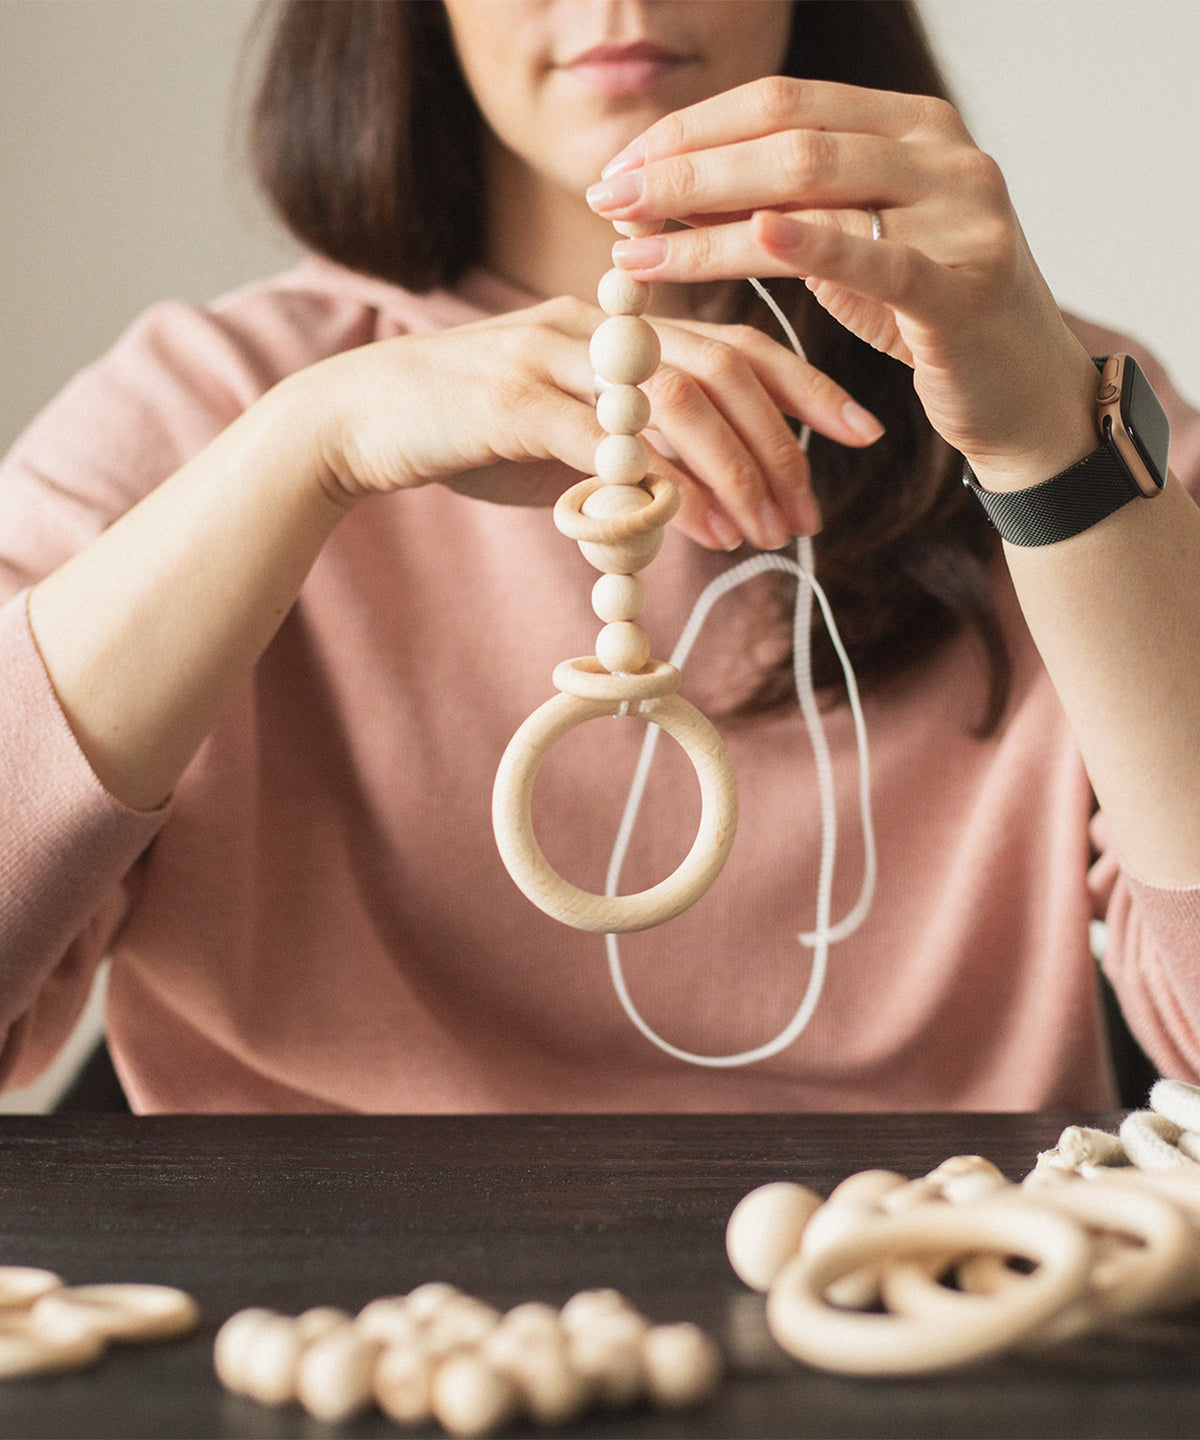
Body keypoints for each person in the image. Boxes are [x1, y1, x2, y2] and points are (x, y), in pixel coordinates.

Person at [2, 0, 1198, 1114]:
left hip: (940, 1286)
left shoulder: (1069, 410)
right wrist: (306, 452)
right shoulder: (198, 413)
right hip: (337, 1317)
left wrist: (1053, 453)